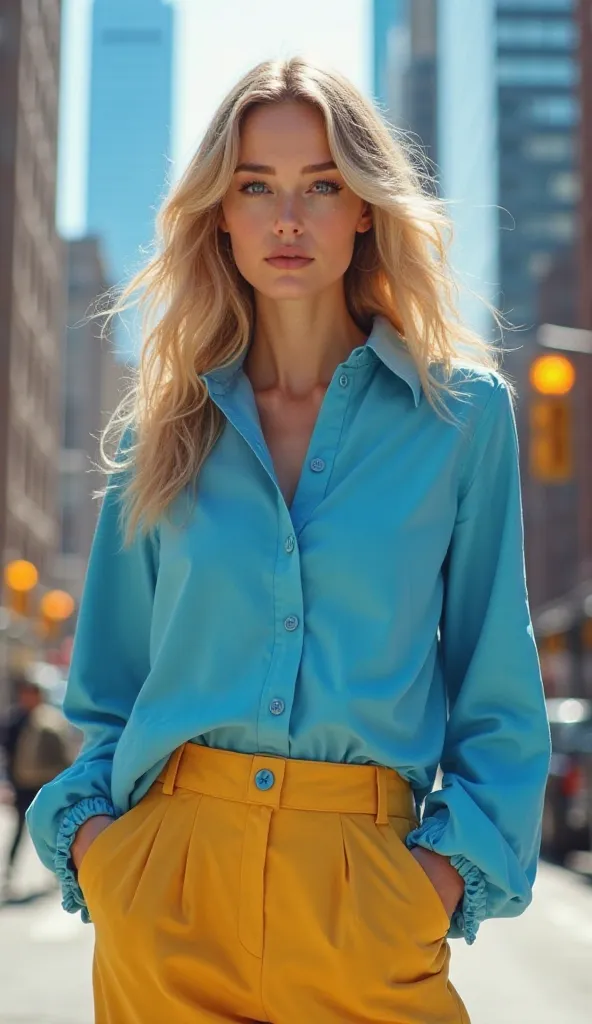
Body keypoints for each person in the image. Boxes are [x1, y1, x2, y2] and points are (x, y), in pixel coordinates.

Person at [26, 58, 551, 1023]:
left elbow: (497, 688)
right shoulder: (162, 427)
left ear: (366, 209)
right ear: (219, 215)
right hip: (165, 891)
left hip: (370, 900)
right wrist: (104, 852)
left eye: (322, 185)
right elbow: (106, 685)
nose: (287, 219)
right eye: (255, 186)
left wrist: (438, 879)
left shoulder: (461, 419)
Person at [1, 671, 73, 894]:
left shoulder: (51, 722)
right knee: (20, 831)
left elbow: (63, 756)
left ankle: (56, 873)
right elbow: (8, 754)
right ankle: (10, 872)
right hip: (22, 786)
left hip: (45, 786)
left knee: (49, 831)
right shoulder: (14, 721)